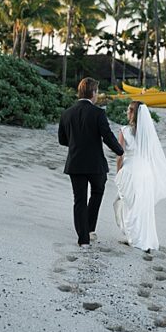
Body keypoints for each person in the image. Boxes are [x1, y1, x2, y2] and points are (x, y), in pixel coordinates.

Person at [58, 77, 125, 247]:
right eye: (97, 92)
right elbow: (107, 137)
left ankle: (84, 239)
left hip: (75, 163)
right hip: (95, 164)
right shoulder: (98, 113)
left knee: (79, 200)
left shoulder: (67, 113)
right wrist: (121, 151)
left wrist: (76, 144)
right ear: (93, 93)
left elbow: (62, 140)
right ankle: (89, 228)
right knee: (97, 193)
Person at [113, 101, 166, 252]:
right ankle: (142, 236)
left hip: (130, 170)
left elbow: (120, 154)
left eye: (129, 110)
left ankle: (133, 236)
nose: (127, 113)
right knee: (141, 206)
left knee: (126, 203)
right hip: (145, 173)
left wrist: (118, 170)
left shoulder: (124, 131)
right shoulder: (148, 133)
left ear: (133, 113)